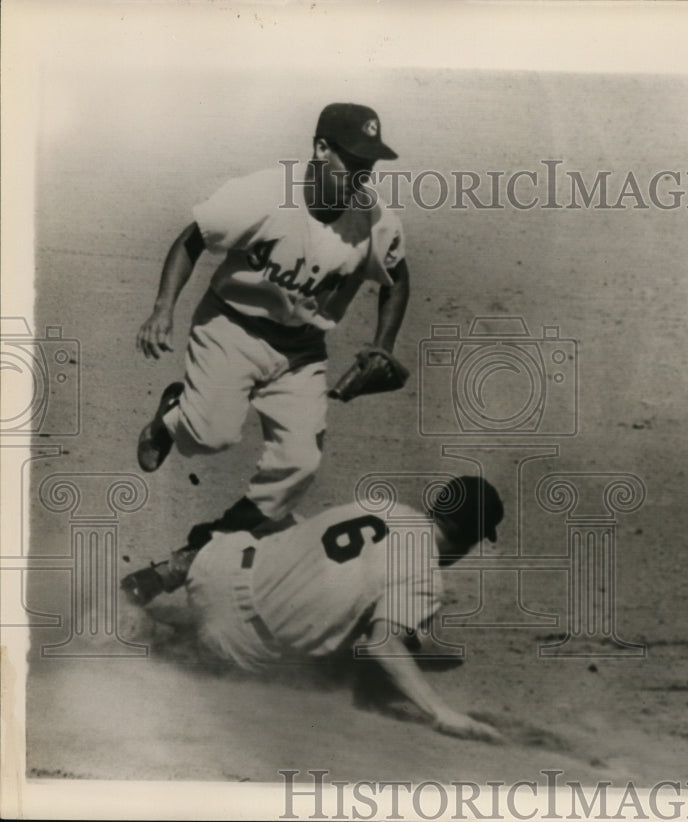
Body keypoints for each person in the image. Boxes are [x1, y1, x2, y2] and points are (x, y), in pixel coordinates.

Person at [128, 103, 409, 601]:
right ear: (321, 148)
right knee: (208, 436)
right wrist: (162, 309)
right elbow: (191, 240)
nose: (362, 175)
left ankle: (201, 549)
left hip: (301, 352)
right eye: (353, 161)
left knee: (298, 466)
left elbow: (399, 278)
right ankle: (172, 416)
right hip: (231, 328)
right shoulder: (262, 195)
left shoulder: (374, 220)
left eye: (370, 166)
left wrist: (381, 347)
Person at [137, 476, 505, 743]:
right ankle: (163, 638)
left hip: (219, 565)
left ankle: (171, 572)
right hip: (238, 640)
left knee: (296, 527)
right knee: (344, 658)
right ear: (470, 539)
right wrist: (440, 710)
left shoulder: (382, 507)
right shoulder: (426, 577)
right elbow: (383, 644)